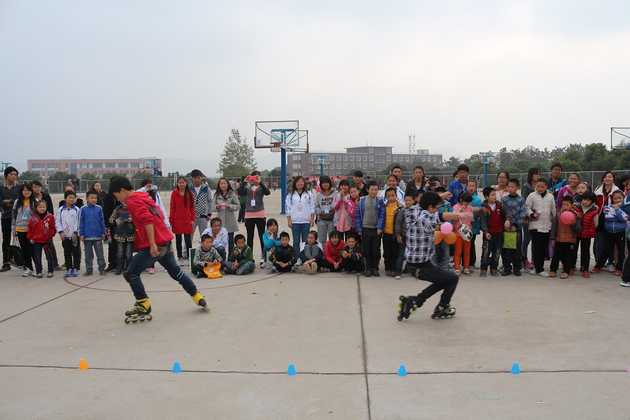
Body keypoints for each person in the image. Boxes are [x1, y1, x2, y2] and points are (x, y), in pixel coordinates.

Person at [108, 176, 209, 321]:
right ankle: (197, 296)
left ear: (122, 190)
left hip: (154, 244)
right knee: (176, 273)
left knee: (130, 273)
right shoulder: (143, 196)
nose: (118, 200)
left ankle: (143, 304)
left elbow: (147, 219)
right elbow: (159, 214)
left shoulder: (132, 200)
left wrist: (152, 243)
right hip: (165, 240)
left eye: (117, 196)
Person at [397, 191, 474, 322]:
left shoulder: (412, 211)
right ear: (430, 207)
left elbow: (424, 204)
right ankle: (442, 307)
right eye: (436, 207)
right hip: (422, 267)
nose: (437, 210)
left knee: (444, 280)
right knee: (453, 279)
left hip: (414, 265)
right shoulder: (426, 219)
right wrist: (462, 214)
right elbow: (442, 216)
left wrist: (440, 197)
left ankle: (416, 300)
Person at [237, 171, 271, 266]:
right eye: (254, 177)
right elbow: (239, 192)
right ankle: (249, 257)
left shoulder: (262, 187)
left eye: (258, 176)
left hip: (260, 213)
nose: (256, 178)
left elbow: (267, 192)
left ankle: (263, 257)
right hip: (249, 214)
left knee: (262, 236)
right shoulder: (248, 187)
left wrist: (261, 183)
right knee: (250, 237)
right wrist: (244, 182)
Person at [526, 177, 556, 277]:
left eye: (542, 187)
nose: (540, 188)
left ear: (546, 186)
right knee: (537, 247)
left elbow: (553, 210)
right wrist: (532, 214)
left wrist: (555, 222)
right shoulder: (531, 196)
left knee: (543, 248)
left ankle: (539, 267)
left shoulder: (550, 197)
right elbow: (527, 207)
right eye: (538, 186)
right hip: (535, 226)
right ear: (535, 186)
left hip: (547, 226)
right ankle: (538, 268)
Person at [591, 190, 627, 275]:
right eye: (615, 198)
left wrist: (617, 211)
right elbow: (608, 217)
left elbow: (624, 219)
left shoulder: (624, 208)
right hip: (610, 232)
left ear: (623, 198)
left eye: (619, 198)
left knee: (621, 250)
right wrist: (618, 217)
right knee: (606, 249)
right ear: (612, 199)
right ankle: (598, 266)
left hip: (620, 231)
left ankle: (619, 268)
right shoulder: (608, 208)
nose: (617, 200)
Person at [355, 181, 385, 277]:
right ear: (367, 190)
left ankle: (375, 268)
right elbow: (357, 216)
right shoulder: (362, 201)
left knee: (375, 250)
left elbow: (382, 215)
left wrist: (379, 227)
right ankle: (368, 268)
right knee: (366, 250)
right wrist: (359, 229)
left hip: (376, 230)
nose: (374, 192)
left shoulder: (380, 201)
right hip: (365, 229)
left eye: (376, 190)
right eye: (372, 190)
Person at [31, 180, 60, 270]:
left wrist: (49, 220)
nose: (37, 188)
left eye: (39, 187)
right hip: (36, 223)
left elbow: (50, 209)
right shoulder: (31, 197)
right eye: (35, 187)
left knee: (50, 246)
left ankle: (55, 264)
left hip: (46, 222)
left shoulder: (46, 196)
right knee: (36, 249)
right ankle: (38, 267)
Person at [549, 196, 582, 278]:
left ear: (572, 205)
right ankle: (553, 270)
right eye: (563, 205)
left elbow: (579, 229)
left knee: (568, 256)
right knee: (556, 255)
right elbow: (554, 227)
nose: (565, 206)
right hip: (559, 239)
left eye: (567, 205)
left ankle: (566, 271)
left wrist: (574, 224)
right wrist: (552, 238)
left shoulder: (575, 216)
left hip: (570, 240)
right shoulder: (558, 215)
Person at [594, 171, 619, 270]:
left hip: (612, 220)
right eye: (606, 177)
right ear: (603, 179)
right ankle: (599, 262)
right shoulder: (597, 190)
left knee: (610, 243)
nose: (607, 179)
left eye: (610, 177)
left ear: (613, 179)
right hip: (600, 219)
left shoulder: (617, 191)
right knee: (599, 243)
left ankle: (610, 262)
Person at [501, 179, 527, 276]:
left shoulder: (521, 200)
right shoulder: (504, 200)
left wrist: (516, 225)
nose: (510, 189)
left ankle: (517, 268)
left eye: (512, 187)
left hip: (517, 229)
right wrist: (505, 225)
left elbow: (523, 213)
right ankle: (507, 267)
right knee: (506, 249)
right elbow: (502, 214)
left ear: (517, 188)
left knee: (516, 249)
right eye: (509, 187)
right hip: (506, 229)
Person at [285, 175, 315, 256]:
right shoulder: (290, 195)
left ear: (304, 183)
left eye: (301, 182)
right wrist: (289, 220)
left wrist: (312, 219)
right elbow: (288, 208)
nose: (300, 184)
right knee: (296, 241)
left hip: (306, 221)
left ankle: (305, 257)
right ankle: (297, 257)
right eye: (298, 182)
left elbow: (312, 207)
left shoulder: (309, 194)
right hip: (295, 221)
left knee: (306, 241)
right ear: (295, 183)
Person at [79, 191, 107, 276]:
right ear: (87, 199)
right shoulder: (83, 209)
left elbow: (102, 221)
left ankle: (101, 268)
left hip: (98, 236)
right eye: (92, 198)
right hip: (87, 236)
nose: (94, 200)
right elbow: (81, 222)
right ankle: (89, 269)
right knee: (88, 255)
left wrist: (103, 232)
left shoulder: (99, 208)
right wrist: (81, 234)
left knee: (100, 254)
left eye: (95, 198)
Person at [11, 183, 36, 277]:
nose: (27, 192)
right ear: (21, 191)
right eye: (25, 190)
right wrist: (13, 228)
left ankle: (38, 268)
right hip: (20, 229)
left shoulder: (35, 202)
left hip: (32, 230)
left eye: (29, 190)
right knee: (24, 250)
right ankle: (29, 268)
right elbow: (14, 215)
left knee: (32, 250)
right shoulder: (17, 202)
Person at [479, 187, 504, 277]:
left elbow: (506, 214)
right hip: (488, 235)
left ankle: (494, 269)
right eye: (492, 195)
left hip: (499, 234)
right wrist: (485, 232)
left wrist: (508, 220)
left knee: (497, 253)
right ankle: (483, 269)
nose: (495, 197)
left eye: (495, 195)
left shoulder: (500, 206)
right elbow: (482, 222)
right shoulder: (484, 209)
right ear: (486, 197)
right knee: (486, 253)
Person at [27, 200, 56, 278]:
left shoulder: (50, 217)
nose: (42, 208)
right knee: (37, 257)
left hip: (47, 240)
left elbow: (53, 227)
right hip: (37, 241)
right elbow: (30, 229)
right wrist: (30, 237)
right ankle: (39, 271)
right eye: (40, 207)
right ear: (36, 208)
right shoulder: (33, 219)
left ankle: (50, 271)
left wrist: (52, 234)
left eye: (44, 207)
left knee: (49, 256)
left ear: (46, 207)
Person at [170, 176, 195, 266]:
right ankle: (180, 257)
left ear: (186, 183)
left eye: (183, 182)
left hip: (187, 220)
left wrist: (192, 219)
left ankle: (189, 257)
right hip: (177, 219)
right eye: (179, 183)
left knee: (188, 240)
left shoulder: (190, 194)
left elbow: (192, 207)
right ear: (177, 184)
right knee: (178, 240)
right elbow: (172, 207)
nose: (181, 184)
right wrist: (171, 220)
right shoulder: (174, 194)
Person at [56, 190, 81, 277]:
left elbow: (78, 222)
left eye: (73, 198)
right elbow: (58, 221)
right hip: (65, 236)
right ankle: (69, 268)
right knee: (67, 253)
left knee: (76, 253)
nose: (72, 199)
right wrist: (60, 232)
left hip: (74, 236)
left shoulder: (77, 210)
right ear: (65, 199)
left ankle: (76, 268)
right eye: (70, 197)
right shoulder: (60, 210)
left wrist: (75, 232)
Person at [574, 191, 598, 278]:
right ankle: (571, 266)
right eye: (584, 199)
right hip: (576, 233)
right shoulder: (576, 208)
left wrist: (590, 229)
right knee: (573, 250)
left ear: (592, 202)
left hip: (587, 234)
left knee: (585, 252)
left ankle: (585, 269)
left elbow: (596, 223)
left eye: (588, 200)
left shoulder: (594, 211)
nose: (585, 202)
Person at [521, 167, 541, 271]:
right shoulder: (526, 187)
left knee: (536, 240)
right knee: (526, 239)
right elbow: (524, 203)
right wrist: (525, 218)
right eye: (535, 174)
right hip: (528, 217)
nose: (538, 176)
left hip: (537, 217)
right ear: (531, 175)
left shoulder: (540, 186)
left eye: (539, 174)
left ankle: (534, 259)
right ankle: (524, 259)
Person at [214, 177, 240, 253]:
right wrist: (216, 207)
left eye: (224, 183)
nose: (223, 185)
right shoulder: (217, 195)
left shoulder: (232, 194)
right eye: (221, 184)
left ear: (227, 184)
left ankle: (230, 257)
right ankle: (221, 256)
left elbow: (238, 206)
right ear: (219, 185)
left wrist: (229, 206)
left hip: (230, 220)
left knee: (231, 240)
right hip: (220, 221)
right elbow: (212, 207)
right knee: (219, 241)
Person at [452, 192, 476, 276]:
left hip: (467, 232)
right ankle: (457, 268)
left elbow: (472, 219)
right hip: (458, 232)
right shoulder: (455, 207)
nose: (466, 204)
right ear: (461, 200)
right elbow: (454, 218)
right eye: (465, 202)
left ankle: (466, 267)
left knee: (467, 251)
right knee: (458, 251)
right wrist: (460, 211)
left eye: (468, 202)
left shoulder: (470, 208)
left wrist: (472, 213)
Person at [0, 166, 19, 272]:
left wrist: (8, 201)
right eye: (11, 174)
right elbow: (0, 203)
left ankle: (24, 262)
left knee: (22, 240)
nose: (13, 176)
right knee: (6, 240)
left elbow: (20, 201)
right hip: (5, 216)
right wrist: (12, 202)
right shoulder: (1, 188)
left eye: (15, 175)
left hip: (18, 217)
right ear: (6, 175)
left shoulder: (19, 187)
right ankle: (6, 263)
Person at [109, 202, 135, 275]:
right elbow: (111, 219)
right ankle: (119, 267)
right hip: (119, 235)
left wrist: (132, 220)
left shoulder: (133, 209)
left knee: (129, 254)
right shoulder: (117, 209)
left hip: (130, 235)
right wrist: (115, 220)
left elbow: (138, 219)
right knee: (120, 253)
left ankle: (129, 268)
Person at [394, 192, 415, 279]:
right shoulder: (402, 211)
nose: (408, 202)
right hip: (404, 236)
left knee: (413, 255)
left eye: (410, 200)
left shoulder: (417, 211)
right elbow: (398, 223)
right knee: (401, 254)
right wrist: (398, 235)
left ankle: (412, 270)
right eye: (406, 200)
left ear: (414, 201)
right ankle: (398, 271)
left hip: (414, 237)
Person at [382, 187, 403, 277]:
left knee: (395, 252)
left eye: (392, 196)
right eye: (388, 196)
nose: (391, 198)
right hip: (386, 233)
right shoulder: (384, 207)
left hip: (395, 234)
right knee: (387, 252)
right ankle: (388, 268)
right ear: (386, 197)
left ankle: (394, 269)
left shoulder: (400, 207)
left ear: (396, 196)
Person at [189, 169, 213, 239]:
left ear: (201, 178)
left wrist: (209, 214)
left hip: (203, 216)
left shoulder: (206, 188)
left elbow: (210, 201)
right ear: (192, 178)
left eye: (198, 178)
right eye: (195, 178)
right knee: (189, 235)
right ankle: (187, 246)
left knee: (204, 235)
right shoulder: (189, 189)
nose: (197, 180)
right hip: (192, 216)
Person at [314, 175, 336, 243]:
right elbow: (316, 206)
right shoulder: (319, 194)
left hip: (332, 220)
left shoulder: (335, 193)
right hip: (321, 220)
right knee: (322, 240)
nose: (325, 184)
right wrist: (320, 211)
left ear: (330, 183)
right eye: (323, 183)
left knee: (333, 239)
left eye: (327, 182)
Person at [466, 179, 483, 269]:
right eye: (470, 186)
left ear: (476, 188)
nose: (471, 188)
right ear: (466, 187)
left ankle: (472, 262)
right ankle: (465, 262)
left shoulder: (478, 199)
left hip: (473, 226)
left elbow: (480, 211)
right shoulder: (463, 197)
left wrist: (476, 212)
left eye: (473, 186)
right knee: (464, 244)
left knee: (471, 244)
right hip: (463, 226)